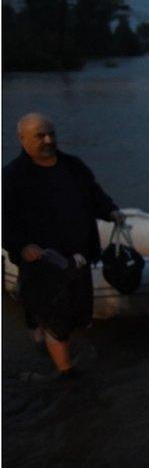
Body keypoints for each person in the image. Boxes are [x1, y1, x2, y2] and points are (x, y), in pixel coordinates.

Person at [3, 113, 126, 379]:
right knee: (56, 314)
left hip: (78, 255)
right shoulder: (12, 176)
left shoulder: (73, 166)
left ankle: (47, 343)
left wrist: (111, 211)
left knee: (76, 311)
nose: (48, 140)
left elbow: (95, 194)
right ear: (22, 138)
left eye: (51, 134)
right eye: (40, 135)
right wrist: (22, 245)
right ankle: (66, 373)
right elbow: (5, 220)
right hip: (42, 260)